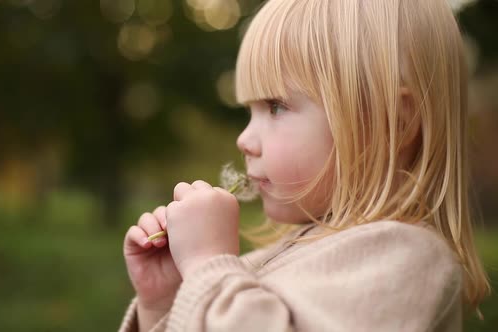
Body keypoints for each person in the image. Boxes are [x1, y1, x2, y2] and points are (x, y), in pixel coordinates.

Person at [119, 0, 491, 330]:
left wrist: (206, 264)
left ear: (392, 122)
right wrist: (165, 302)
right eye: (248, 112)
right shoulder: (272, 257)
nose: (244, 140)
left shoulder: (406, 259)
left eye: (275, 106)